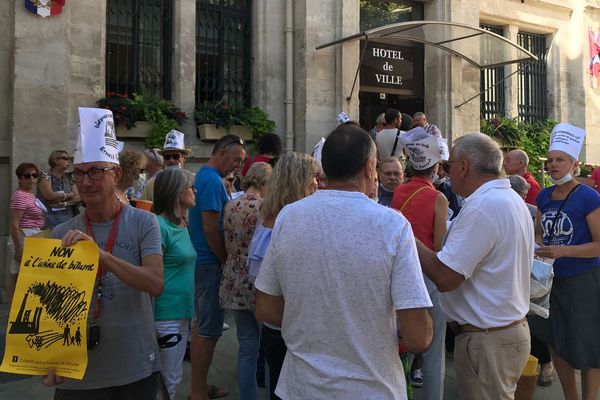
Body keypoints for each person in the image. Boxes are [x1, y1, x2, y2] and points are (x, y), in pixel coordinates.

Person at [254, 125, 433, 400]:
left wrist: (318, 322)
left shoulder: (289, 216)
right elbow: (418, 337)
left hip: (299, 388)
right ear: (370, 167)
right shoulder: (392, 224)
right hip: (372, 388)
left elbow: (266, 307)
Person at [43, 107, 164, 398]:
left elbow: (155, 283)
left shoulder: (143, 221)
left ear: (116, 174)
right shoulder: (61, 234)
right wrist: (49, 358)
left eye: (95, 172)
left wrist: (103, 256)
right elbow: (52, 307)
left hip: (134, 366)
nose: (85, 182)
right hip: (79, 375)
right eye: (79, 174)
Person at [416, 132, 533, 399]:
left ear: (464, 166)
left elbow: (446, 278)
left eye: (448, 166)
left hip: (487, 340)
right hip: (504, 332)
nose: (446, 173)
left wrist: (408, 238)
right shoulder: (510, 199)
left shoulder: (483, 206)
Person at [246, 153, 320, 400]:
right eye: (313, 178)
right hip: (288, 324)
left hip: (277, 324)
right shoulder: (288, 220)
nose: (317, 184)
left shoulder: (269, 214)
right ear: (300, 181)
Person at [534, 123, 600, 400]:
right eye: (550, 160)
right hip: (550, 282)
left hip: (584, 280)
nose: (553, 165)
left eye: (560, 160)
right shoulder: (543, 196)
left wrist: (563, 252)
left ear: (574, 164)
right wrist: (537, 248)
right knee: (556, 343)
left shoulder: (588, 196)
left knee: (590, 347)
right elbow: (539, 233)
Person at [391, 130, 449, 399]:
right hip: (426, 275)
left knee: (399, 342)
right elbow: (439, 246)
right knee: (434, 347)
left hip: (399, 272)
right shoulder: (438, 197)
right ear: (435, 167)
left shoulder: (399, 191)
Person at [188, 134, 246, 400]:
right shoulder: (211, 180)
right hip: (210, 263)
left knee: (205, 327)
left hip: (206, 262)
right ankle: (198, 391)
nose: (237, 165)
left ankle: (198, 386)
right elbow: (211, 226)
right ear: (222, 152)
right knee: (208, 330)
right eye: (236, 159)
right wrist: (224, 259)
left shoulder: (207, 177)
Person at [219, 162, 272, 400]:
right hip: (257, 275)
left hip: (233, 275)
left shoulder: (231, 204)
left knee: (247, 347)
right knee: (269, 346)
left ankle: (247, 396)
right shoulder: (264, 208)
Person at [152, 168, 197, 400]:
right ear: (177, 193)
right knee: (165, 381)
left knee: (172, 378)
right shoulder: (159, 226)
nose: (194, 191)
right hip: (165, 314)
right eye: (190, 186)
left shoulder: (181, 224)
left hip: (181, 312)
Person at [8, 163, 46, 304]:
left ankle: (25, 306)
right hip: (24, 237)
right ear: (19, 178)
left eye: (35, 175)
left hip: (35, 237)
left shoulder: (30, 195)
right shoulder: (20, 195)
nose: (31, 178)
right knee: (16, 274)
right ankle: (13, 309)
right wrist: (19, 248)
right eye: (27, 175)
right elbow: (14, 223)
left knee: (28, 275)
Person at [141, 130, 192, 201]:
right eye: (167, 157)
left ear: (184, 158)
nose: (171, 160)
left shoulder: (192, 181)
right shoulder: (153, 183)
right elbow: (144, 208)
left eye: (175, 156)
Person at [37, 150, 80, 229]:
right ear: (55, 160)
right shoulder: (46, 175)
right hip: (50, 221)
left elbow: (78, 197)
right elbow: (50, 195)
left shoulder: (69, 176)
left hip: (69, 220)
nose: (69, 161)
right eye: (65, 158)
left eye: (69, 159)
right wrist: (69, 195)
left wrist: (65, 203)